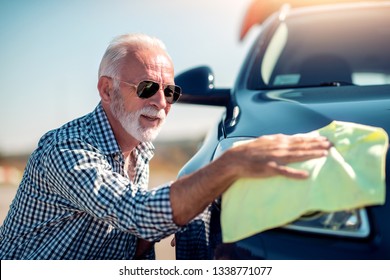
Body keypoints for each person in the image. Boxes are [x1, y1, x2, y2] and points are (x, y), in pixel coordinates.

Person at [0, 33, 331, 259]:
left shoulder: (138, 150)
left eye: (170, 92)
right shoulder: (66, 151)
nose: (161, 103)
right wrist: (232, 163)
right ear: (106, 90)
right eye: (147, 88)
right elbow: (140, 213)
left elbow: (127, 232)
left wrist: (193, 213)